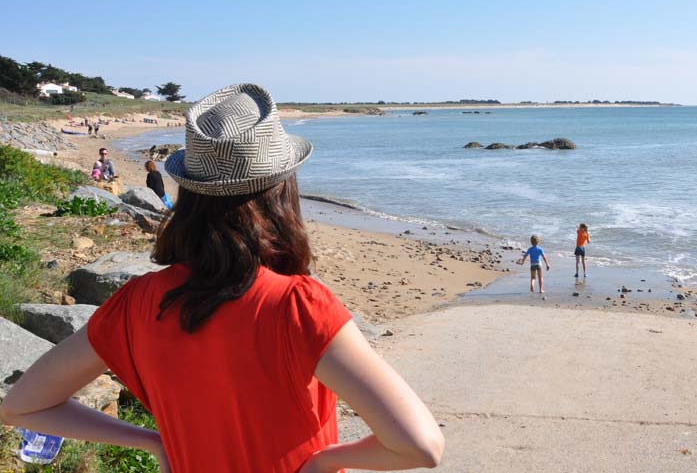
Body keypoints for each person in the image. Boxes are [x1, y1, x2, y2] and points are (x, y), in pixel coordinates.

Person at [0, 84, 444, 473]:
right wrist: (328, 458)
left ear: (190, 192)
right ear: (281, 189)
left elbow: (22, 405)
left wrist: (154, 440)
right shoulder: (296, 305)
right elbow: (420, 445)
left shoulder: (137, 301)